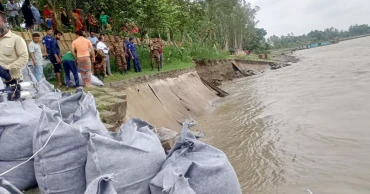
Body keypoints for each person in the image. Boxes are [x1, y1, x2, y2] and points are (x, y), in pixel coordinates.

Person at [0, 11, 28, 100]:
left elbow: (24, 57)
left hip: (12, 82)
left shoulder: (16, 39)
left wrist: (7, 69)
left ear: (4, 21)